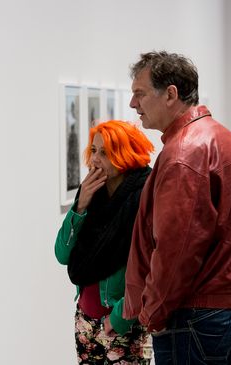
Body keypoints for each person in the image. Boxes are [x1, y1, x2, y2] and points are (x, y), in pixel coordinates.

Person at [123, 51, 231, 365]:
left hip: (194, 317)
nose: (133, 105)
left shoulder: (183, 154)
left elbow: (177, 249)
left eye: (140, 94)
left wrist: (151, 313)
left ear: (171, 94)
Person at [55, 120, 154, 364]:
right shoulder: (91, 193)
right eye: (94, 150)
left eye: (105, 153)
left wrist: (119, 317)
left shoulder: (143, 196)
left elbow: (149, 269)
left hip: (124, 322)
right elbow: (62, 254)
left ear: (125, 155)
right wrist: (79, 207)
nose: (95, 159)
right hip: (85, 319)